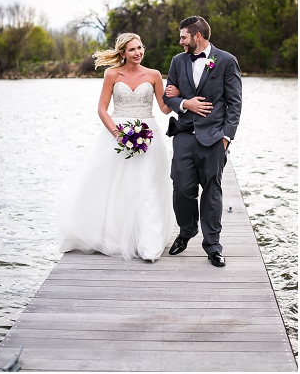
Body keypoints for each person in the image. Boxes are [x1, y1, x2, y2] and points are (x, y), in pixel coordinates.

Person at [56, 32, 177, 262]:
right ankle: (117, 235)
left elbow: (163, 108)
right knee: (116, 187)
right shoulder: (111, 74)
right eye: (132, 49)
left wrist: (177, 96)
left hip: (149, 135)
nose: (138, 52)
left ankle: (148, 243)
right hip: (117, 134)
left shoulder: (153, 75)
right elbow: (102, 109)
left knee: (147, 185)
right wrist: (118, 134)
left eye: (140, 47)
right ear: (122, 53)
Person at [162, 16, 242, 267]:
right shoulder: (177, 60)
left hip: (214, 138)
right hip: (184, 134)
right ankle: (186, 232)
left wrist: (226, 137)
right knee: (182, 189)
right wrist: (185, 103)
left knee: (212, 192)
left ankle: (213, 246)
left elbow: (234, 103)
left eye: (183, 36)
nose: (180, 41)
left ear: (198, 36)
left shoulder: (227, 61)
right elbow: (168, 98)